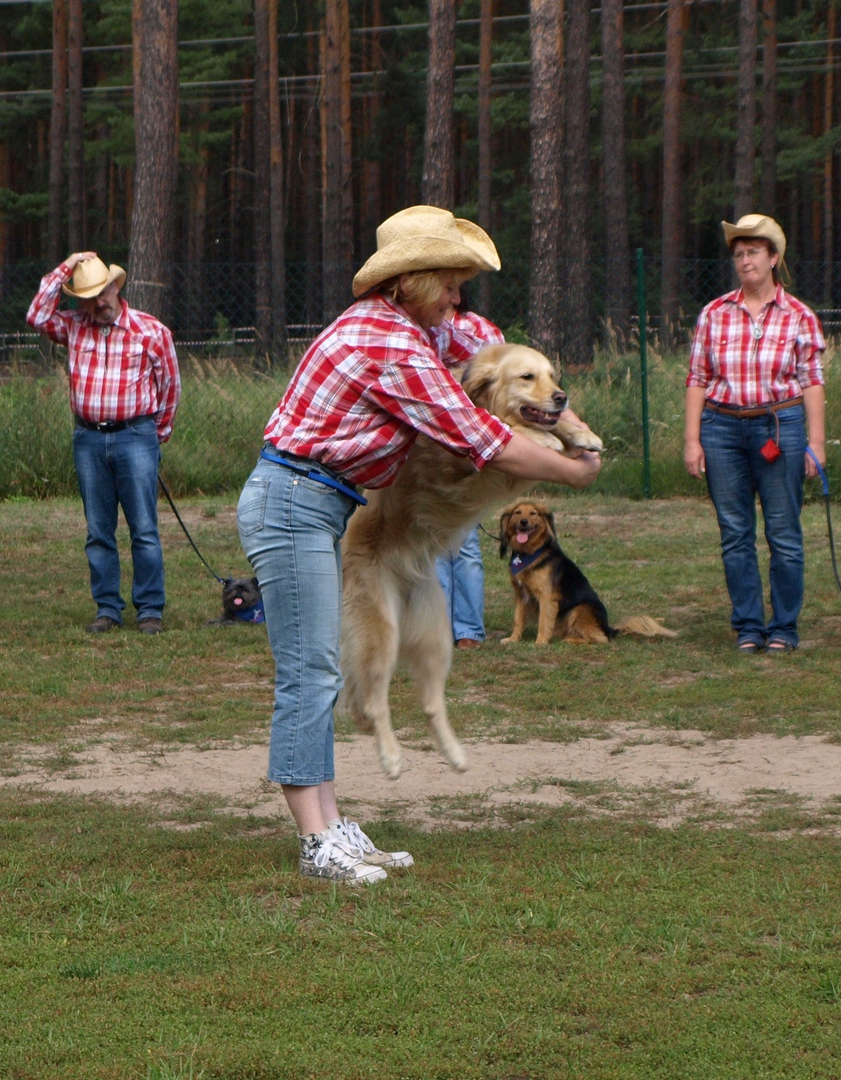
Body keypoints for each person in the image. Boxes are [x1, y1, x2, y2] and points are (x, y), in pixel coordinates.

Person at [237, 206, 601, 885]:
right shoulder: (389, 343)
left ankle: (333, 824)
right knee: (308, 673)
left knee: (316, 670)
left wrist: (567, 422)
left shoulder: (415, 330)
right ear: (416, 281)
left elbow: (493, 352)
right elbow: (474, 434)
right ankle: (315, 842)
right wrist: (571, 470)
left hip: (319, 503)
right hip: (292, 502)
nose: (459, 299)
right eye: (452, 283)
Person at [683, 214, 826, 653]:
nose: (745, 261)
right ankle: (748, 625)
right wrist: (692, 439)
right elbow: (697, 378)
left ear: (773, 258)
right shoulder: (714, 312)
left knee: (783, 531)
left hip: (780, 425)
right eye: (739, 254)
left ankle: (783, 626)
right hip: (721, 428)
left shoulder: (800, 315)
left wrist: (816, 443)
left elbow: (812, 380)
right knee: (735, 532)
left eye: (753, 253)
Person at [27, 252, 181, 635]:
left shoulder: (151, 331)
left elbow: (170, 389)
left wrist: (154, 437)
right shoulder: (74, 327)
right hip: (88, 438)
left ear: (116, 287)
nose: (98, 303)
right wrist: (67, 266)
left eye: (103, 293)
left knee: (143, 528)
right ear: (79, 300)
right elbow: (36, 316)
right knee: (98, 530)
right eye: (88, 297)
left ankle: (149, 610)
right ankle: (107, 608)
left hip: (136, 436)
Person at [433, 306, 506, 649]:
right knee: (432, 543)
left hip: (469, 442)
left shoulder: (478, 329)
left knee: (464, 544)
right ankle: (438, 630)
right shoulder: (415, 328)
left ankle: (468, 631)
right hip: (428, 445)